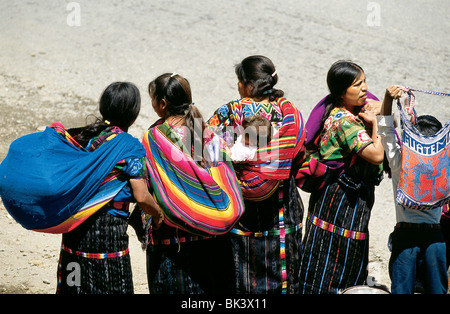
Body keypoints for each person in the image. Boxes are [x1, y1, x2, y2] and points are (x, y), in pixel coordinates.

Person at [207, 55, 307, 293]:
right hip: (282, 206)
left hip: (244, 208)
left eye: (239, 82)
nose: (238, 87)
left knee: (244, 275)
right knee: (284, 274)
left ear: (249, 84)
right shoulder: (289, 112)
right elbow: (301, 154)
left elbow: (209, 150)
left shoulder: (230, 111)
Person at [52, 82, 163, 294]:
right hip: (108, 236)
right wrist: (157, 215)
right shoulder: (130, 147)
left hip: (76, 228)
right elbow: (141, 196)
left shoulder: (83, 138)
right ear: (133, 115)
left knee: (74, 285)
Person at [141, 73, 244, 294]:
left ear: (162, 104)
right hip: (213, 242)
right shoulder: (209, 135)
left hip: (174, 244)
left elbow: (150, 184)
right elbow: (224, 176)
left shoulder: (153, 138)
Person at [298, 60, 384, 294]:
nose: (364, 88)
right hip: (341, 200)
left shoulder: (345, 110)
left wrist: (387, 104)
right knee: (336, 255)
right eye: (357, 85)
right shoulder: (344, 122)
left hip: (336, 198)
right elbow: (376, 155)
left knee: (332, 253)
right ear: (341, 92)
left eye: (365, 81)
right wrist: (378, 122)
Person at [378, 85, 448, 294]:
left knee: (401, 290)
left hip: (405, 236)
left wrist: (388, 98)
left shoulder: (402, 163)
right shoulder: (445, 164)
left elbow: (386, 131)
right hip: (435, 237)